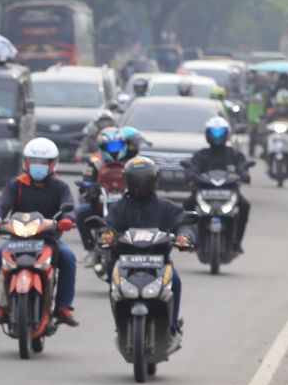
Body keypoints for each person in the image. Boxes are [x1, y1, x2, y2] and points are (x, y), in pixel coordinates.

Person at [0, 137, 79, 327]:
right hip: (17, 239)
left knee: (68, 258)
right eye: (33, 162)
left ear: (53, 164)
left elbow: (69, 208)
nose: (38, 166)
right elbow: (1, 206)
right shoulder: (15, 185)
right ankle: (0, 307)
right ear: (26, 163)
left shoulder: (60, 187)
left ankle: (63, 307)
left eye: (43, 163)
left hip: (49, 240)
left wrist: (67, 220)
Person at [100, 156, 194, 344]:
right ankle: (121, 325)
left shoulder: (166, 207)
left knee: (174, 281)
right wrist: (107, 235)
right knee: (113, 283)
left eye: (146, 180)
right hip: (124, 262)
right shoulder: (119, 208)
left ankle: (172, 328)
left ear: (154, 181)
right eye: (137, 181)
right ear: (128, 181)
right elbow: (108, 226)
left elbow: (183, 223)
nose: (141, 185)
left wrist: (185, 237)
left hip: (158, 262)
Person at [185, 116, 251, 253]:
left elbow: (242, 167)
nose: (217, 137)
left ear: (227, 134)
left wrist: (244, 174)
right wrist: (191, 175)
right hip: (204, 192)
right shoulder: (201, 155)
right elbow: (193, 168)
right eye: (213, 133)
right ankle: (190, 238)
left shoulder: (234, 154)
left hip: (229, 193)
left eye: (220, 133)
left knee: (244, 206)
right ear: (207, 134)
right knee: (187, 205)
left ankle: (237, 241)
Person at [75, 126, 128, 253]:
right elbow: (87, 181)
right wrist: (88, 187)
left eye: (117, 145)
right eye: (110, 146)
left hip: (127, 205)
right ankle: (90, 247)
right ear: (103, 147)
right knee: (80, 212)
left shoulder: (130, 164)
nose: (114, 150)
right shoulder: (96, 164)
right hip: (100, 205)